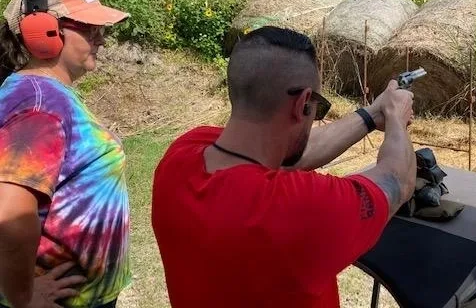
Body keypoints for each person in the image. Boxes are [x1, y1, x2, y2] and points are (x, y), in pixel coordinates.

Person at [152, 26, 417, 307]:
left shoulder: (179, 157)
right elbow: (397, 179)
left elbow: (296, 152)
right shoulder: (302, 207)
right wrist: (396, 117)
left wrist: (371, 114)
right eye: (318, 107)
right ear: (303, 103)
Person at [0, 0, 131, 308]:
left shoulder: (43, 94)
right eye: (89, 28)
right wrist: (23, 298)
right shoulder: (40, 102)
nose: (101, 39)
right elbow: (10, 214)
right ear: (43, 32)